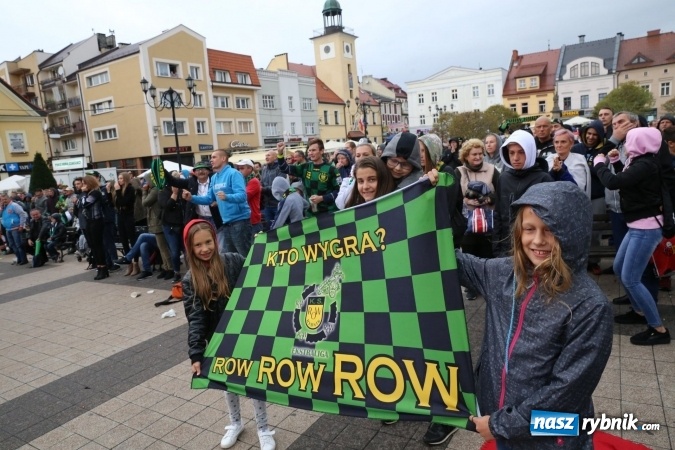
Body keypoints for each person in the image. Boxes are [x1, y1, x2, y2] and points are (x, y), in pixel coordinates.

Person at [455, 181, 612, 449]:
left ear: (572, 233)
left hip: (552, 437)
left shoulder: (590, 306)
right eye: (529, 229)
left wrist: (501, 425)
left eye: (550, 230)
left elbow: (567, 391)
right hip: (501, 420)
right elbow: (450, 262)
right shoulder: (502, 274)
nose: (538, 240)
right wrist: (429, 199)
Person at [182, 219, 276, 450]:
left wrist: (263, 246)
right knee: (227, 383)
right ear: (190, 248)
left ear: (215, 240)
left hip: (246, 333)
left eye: (208, 242)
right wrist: (196, 353)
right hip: (218, 340)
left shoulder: (232, 260)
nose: (205, 249)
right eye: (198, 245)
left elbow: (258, 271)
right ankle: (235, 423)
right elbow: (196, 318)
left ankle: (263, 428)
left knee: (254, 380)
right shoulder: (190, 280)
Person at [595, 127, 671, 345]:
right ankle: (639, 311)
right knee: (620, 268)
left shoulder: (645, 164)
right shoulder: (639, 162)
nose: (627, 145)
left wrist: (600, 164)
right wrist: (616, 162)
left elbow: (613, 183)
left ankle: (658, 329)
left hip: (646, 228)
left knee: (631, 278)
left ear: (640, 143)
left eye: (629, 141)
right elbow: (628, 181)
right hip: (637, 225)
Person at [181, 149, 252, 257]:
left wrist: (227, 197)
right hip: (225, 223)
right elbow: (209, 198)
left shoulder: (234, 173)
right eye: (211, 157)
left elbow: (242, 196)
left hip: (240, 221)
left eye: (214, 157)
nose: (211, 160)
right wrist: (192, 198)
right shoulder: (214, 177)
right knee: (231, 257)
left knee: (245, 256)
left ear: (223, 159)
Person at [493, 130, 553, 257]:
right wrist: (496, 246)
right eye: (511, 153)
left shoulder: (543, 179)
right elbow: (498, 213)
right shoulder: (504, 178)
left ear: (530, 151)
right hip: (507, 245)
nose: (515, 158)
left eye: (521, 152)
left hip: (533, 245)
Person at [455, 139, 500, 301]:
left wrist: (488, 199)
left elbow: (500, 192)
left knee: (487, 255)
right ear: (466, 156)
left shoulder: (492, 170)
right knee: (469, 255)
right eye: (474, 154)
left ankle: (488, 285)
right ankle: (471, 287)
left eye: (480, 154)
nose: (478, 157)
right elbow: (454, 196)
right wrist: (466, 200)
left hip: (488, 220)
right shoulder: (458, 172)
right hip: (468, 221)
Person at [277, 139, 341, 215]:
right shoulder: (305, 167)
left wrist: (322, 198)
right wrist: (280, 153)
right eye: (309, 151)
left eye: (313, 150)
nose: (310, 153)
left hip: (329, 212)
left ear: (321, 151)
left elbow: (339, 191)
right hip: (310, 212)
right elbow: (285, 169)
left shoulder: (332, 169)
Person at [78, 175, 109, 280]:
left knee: (98, 245)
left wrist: (83, 194)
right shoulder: (88, 194)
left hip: (97, 221)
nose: (82, 186)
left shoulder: (95, 193)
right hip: (89, 221)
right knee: (93, 245)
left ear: (89, 183)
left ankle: (103, 268)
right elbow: (79, 205)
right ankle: (99, 266)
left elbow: (85, 204)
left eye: (84, 183)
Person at [546, 129, 591, 196]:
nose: (559, 145)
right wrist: (553, 171)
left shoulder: (579, 160)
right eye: (556, 142)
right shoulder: (549, 159)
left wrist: (561, 171)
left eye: (563, 142)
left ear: (571, 144)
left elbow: (578, 189)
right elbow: (545, 185)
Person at [335, 143, 376, 209]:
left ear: (375, 156)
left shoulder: (381, 172)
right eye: (358, 155)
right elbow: (340, 204)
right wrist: (354, 179)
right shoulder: (350, 177)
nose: (361, 158)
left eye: (366, 155)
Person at [235, 159, 263, 236]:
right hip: (246, 219)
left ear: (250, 168)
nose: (239, 171)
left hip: (253, 220)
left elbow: (243, 197)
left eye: (242, 168)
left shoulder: (254, 181)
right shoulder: (243, 181)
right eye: (239, 169)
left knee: (255, 243)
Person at [1, 192, 29, 265]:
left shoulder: (14, 205)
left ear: (9, 198)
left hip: (16, 228)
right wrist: (1, 208)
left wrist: (21, 225)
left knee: (18, 244)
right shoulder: (4, 207)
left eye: (5, 199)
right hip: (8, 228)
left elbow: (22, 214)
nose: (4, 201)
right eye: (2, 200)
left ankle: (23, 259)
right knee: (11, 245)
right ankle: (19, 258)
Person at [261, 150, 284, 230]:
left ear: (275, 157)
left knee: (280, 228)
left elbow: (279, 187)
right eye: (266, 156)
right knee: (269, 229)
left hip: (277, 204)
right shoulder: (264, 169)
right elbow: (262, 183)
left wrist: (263, 189)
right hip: (267, 205)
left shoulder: (280, 168)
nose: (266, 157)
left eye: (269, 155)